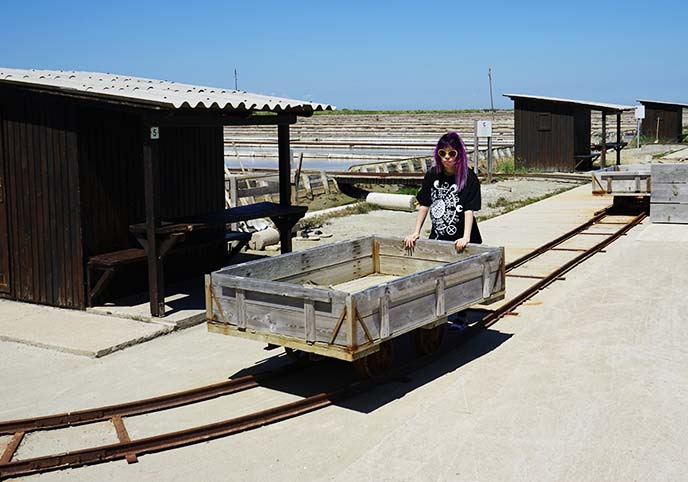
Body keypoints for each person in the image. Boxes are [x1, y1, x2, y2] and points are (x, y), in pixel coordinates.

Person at [404, 131, 482, 251]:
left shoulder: (469, 178)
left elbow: (468, 209)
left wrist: (466, 237)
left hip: (462, 239)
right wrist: (416, 232)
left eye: (451, 153)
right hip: (438, 237)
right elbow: (424, 204)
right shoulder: (432, 174)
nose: (447, 157)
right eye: (442, 153)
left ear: (459, 154)